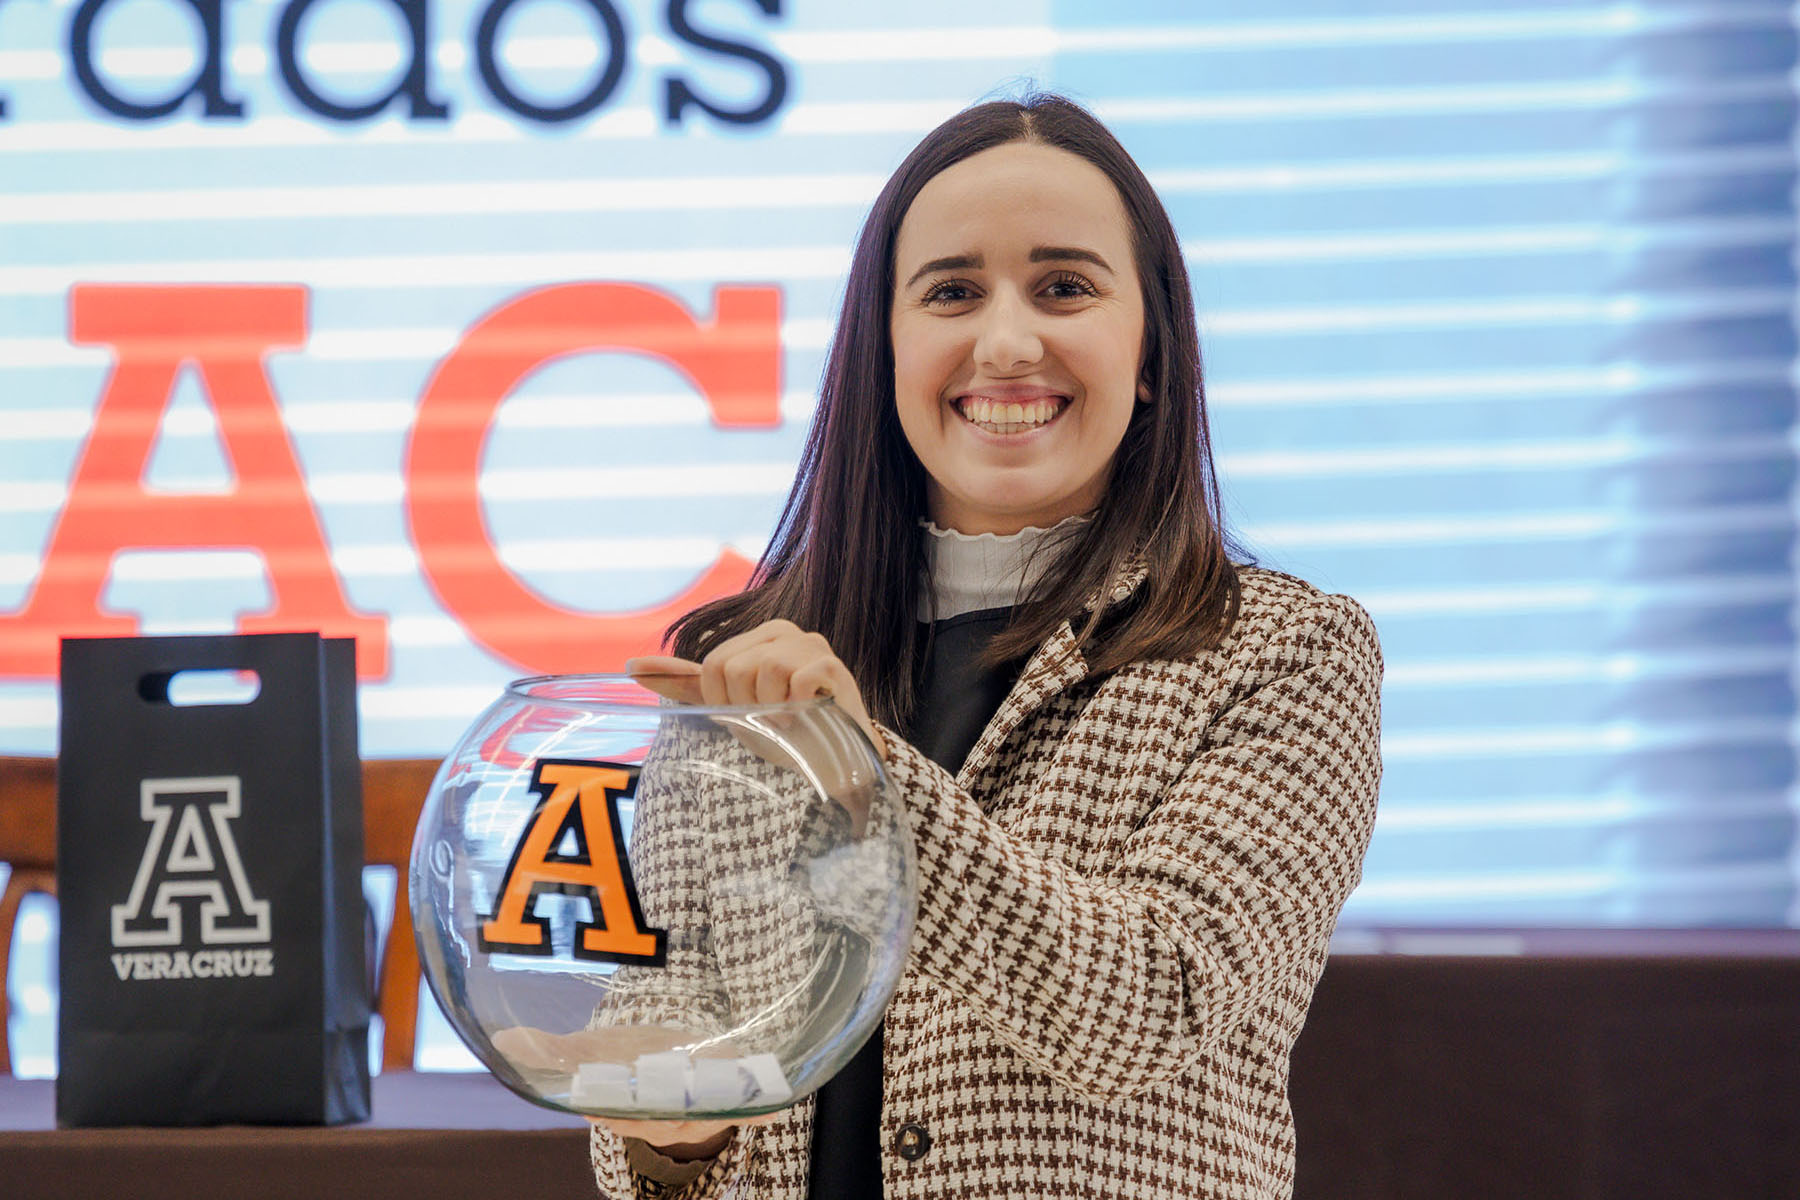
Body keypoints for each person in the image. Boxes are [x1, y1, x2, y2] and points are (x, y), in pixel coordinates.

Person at [589, 91, 1383, 1200]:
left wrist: (856, 767)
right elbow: (658, 1078)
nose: (1006, 341)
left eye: (1064, 287)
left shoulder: (1286, 654)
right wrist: (665, 1129)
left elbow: (1148, 1007)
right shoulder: (735, 659)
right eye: (952, 291)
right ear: (888, 346)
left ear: (1151, 349)